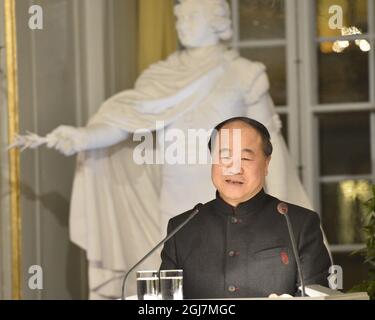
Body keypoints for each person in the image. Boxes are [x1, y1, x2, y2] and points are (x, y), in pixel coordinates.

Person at [10, 0, 314, 298]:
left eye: (192, 17)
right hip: (179, 192)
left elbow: (263, 144)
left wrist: (285, 209)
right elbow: (128, 121)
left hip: (238, 188)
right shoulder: (160, 76)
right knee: (184, 280)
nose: (183, 25)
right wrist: (83, 137)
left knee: (247, 270)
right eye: (180, 18)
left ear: (217, 21)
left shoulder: (245, 74)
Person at [160, 117, 331, 298]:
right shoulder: (181, 228)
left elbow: (317, 296)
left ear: (266, 164)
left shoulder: (298, 224)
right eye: (225, 156)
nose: (234, 168)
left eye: (245, 158)